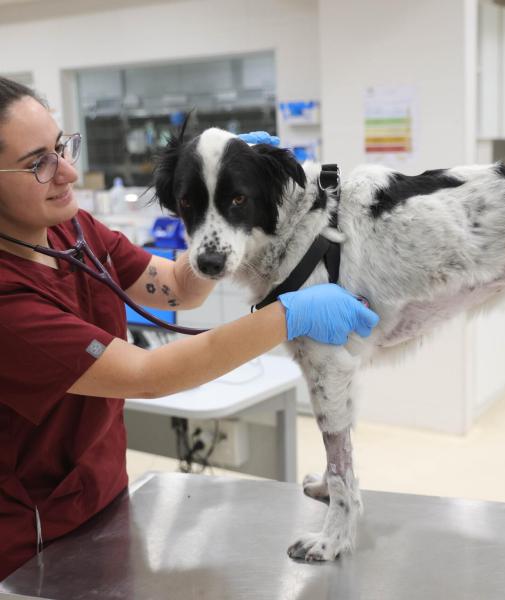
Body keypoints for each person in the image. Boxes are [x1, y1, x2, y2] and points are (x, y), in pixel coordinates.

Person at [0, 77, 379, 579]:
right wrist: (292, 312)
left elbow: (179, 284)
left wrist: (219, 202)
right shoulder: (8, 301)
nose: (67, 171)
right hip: (31, 541)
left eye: (62, 146)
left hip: (103, 493)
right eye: (38, 163)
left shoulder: (71, 231)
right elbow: (148, 373)